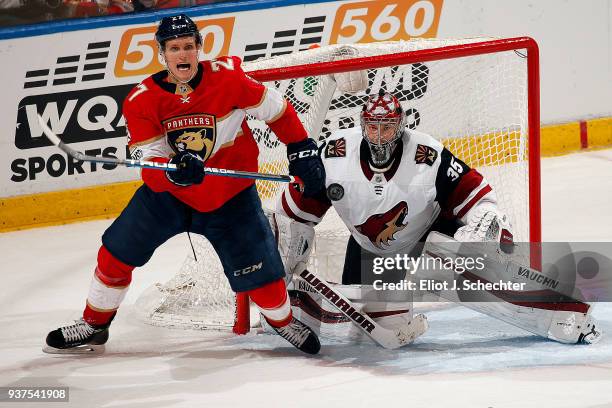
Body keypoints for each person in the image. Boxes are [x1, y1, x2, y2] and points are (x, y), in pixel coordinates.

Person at [44, 14, 325, 355]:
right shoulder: (141, 99)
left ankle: (283, 323)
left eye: (189, 47)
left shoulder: (229, 80)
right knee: (115, 255)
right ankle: (94, 324)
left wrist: (300, 148)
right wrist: (172, 170)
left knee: (262, 277)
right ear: (162, 53)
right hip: (168, 197)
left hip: (230, 196)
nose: (182, 55)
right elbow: (150, 166)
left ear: (199, 49)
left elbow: (277, 110)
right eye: (174, 48)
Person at [277, 89, 601, 344]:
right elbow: (298, 213)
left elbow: (475, 193)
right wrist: (287, 243)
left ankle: (562, 309)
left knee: (470, 260)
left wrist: (485, 221)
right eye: (372, 127)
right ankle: (280, 307)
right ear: (362, 126)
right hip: (369, 251)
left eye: (386, 127)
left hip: (429, 233)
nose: (378, 136)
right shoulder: (335, 154)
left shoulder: (426, 154)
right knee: (368, 323)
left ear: (400, 126)